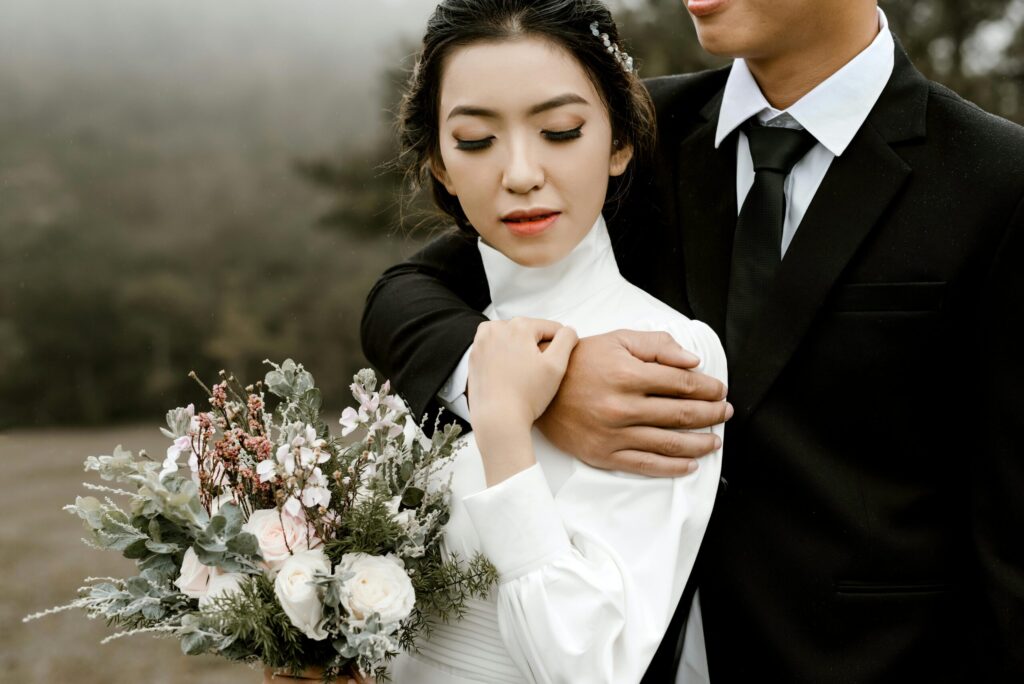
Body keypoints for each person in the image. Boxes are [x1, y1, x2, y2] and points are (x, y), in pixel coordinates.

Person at [364, 0, 1024, 681]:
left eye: (558, 132)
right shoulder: (627, 130)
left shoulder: (1000, 180)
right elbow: (405, 293)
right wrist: (543, 384)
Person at [379, 1, 727, 682]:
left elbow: (591, 666)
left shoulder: (665, 353)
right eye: (475, 140)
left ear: (619, 143)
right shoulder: (440, 340)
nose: (520, 174)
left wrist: (506, 430)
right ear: (441, 165)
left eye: (560, 131)